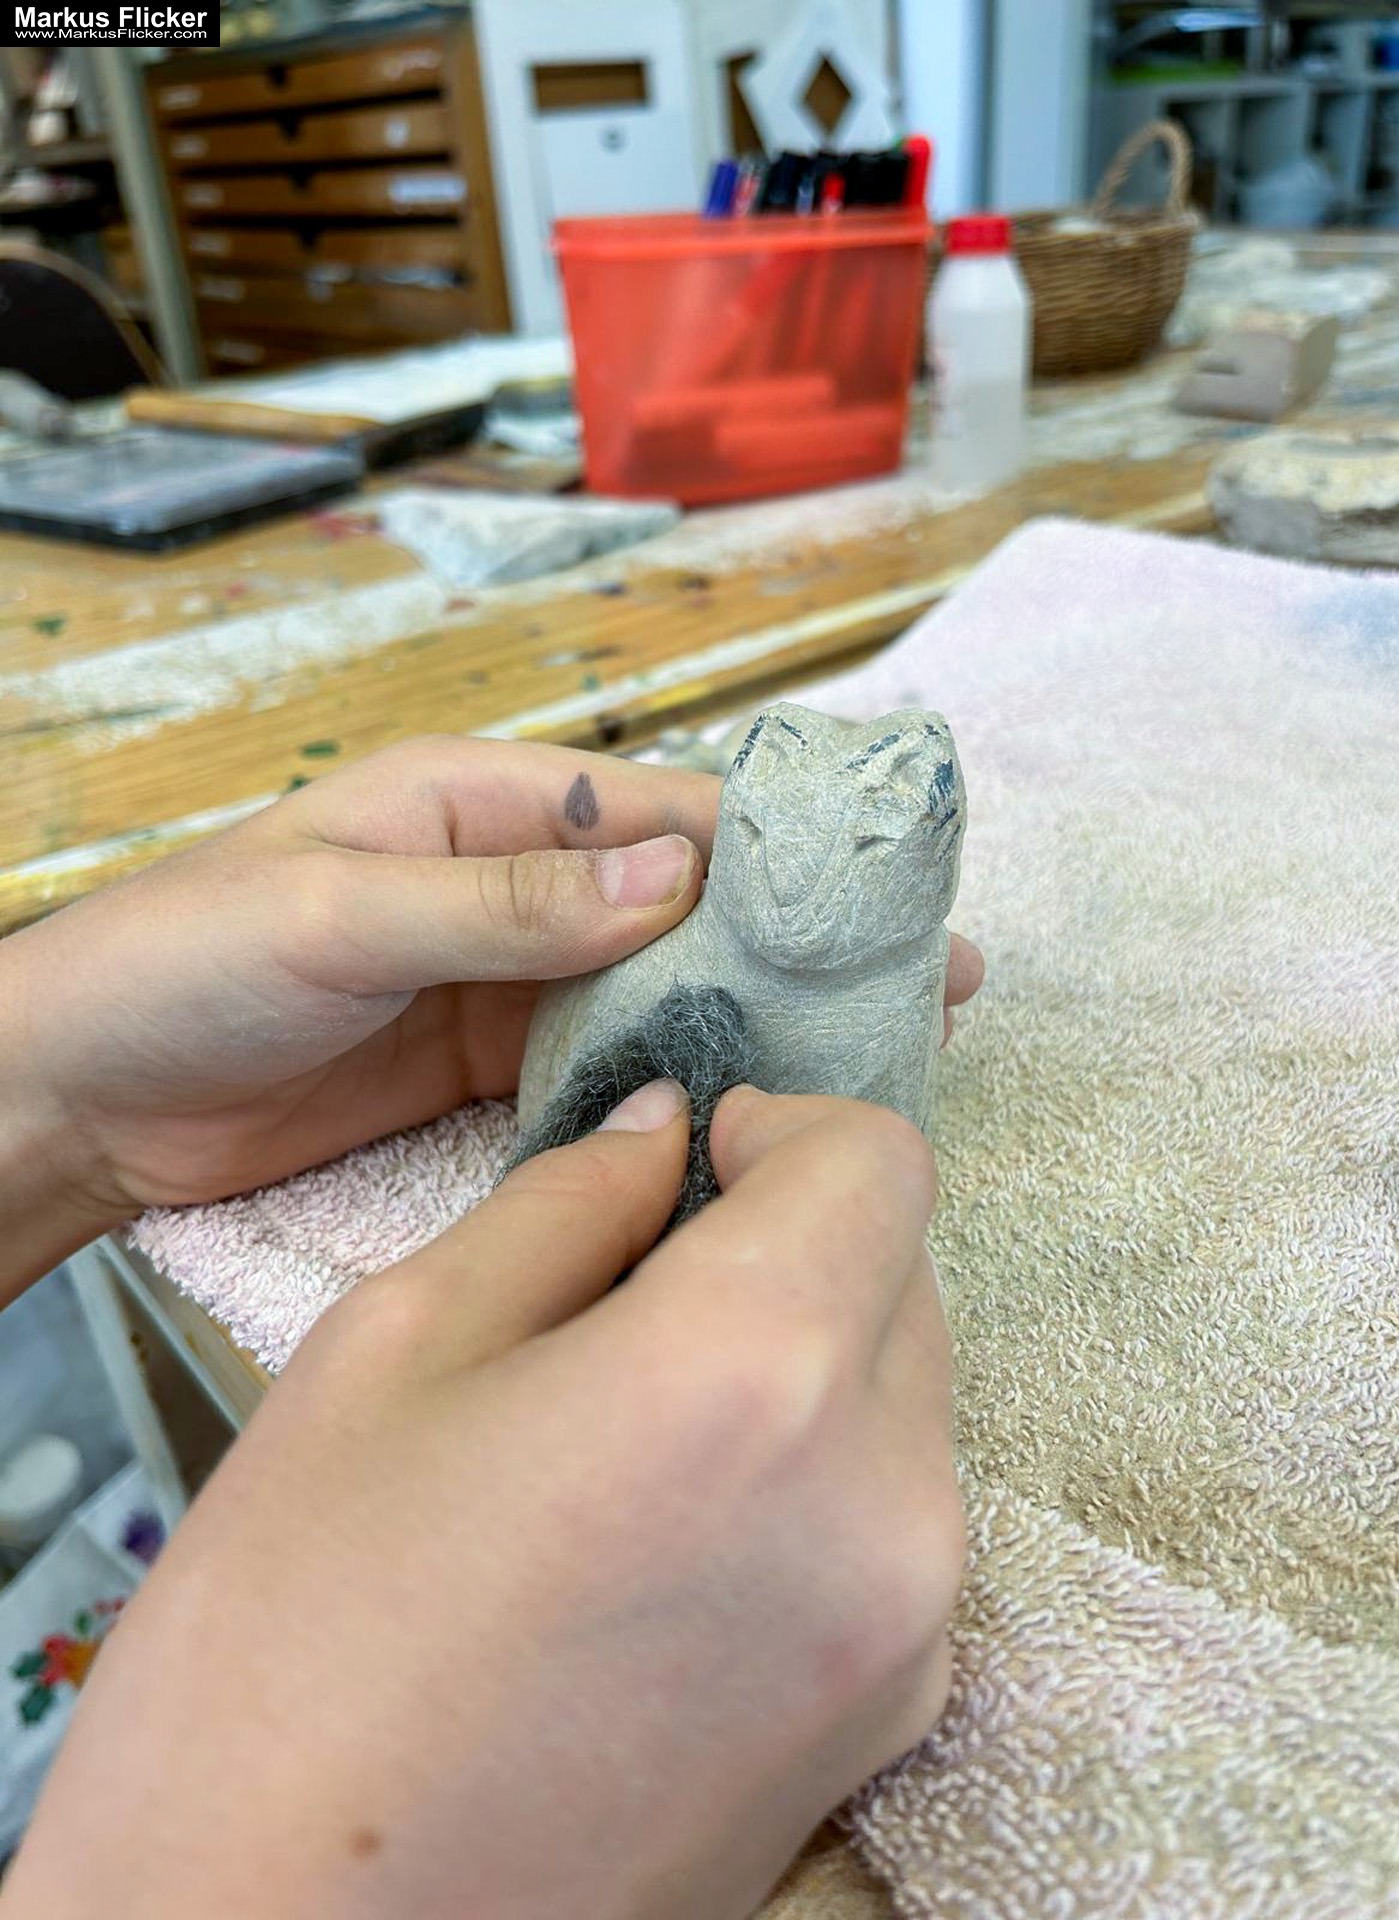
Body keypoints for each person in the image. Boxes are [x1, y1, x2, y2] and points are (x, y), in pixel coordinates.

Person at [0, 736, 983, 1919]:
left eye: (864, 851)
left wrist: (52, 1101)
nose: (795, 891)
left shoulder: (886, 981)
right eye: (765, 839)